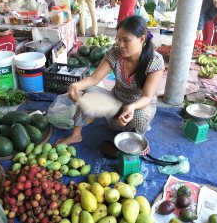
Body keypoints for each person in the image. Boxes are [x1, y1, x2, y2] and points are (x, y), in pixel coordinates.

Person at [56, 15, 164, 149]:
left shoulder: (154, 61)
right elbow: (94, 78)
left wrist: (131, 107)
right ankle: (76, 135)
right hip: (117, 99)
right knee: (89, 92)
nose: (120, 45)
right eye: (118, 39)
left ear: (142, 39)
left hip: (139, 104)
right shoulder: (115, 53)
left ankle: (138, 139)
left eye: (126, 40)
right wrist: (76, 85)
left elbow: (147, 97)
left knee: (139, 116)